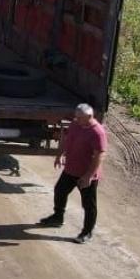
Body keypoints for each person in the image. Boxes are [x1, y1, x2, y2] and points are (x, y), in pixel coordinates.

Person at [39, 104, 107, 243]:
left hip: (86, 175)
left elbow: (99, 156)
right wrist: (59, 155)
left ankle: (87, 232)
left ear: (89, 117)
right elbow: (66, 139)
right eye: (76, 117)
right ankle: (58, 217)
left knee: (88, 205)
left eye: (80, 118)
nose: (76, 120)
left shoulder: (97, 132)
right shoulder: (76, 124)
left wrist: (88, 176)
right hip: (71, 169)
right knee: (60, 191)